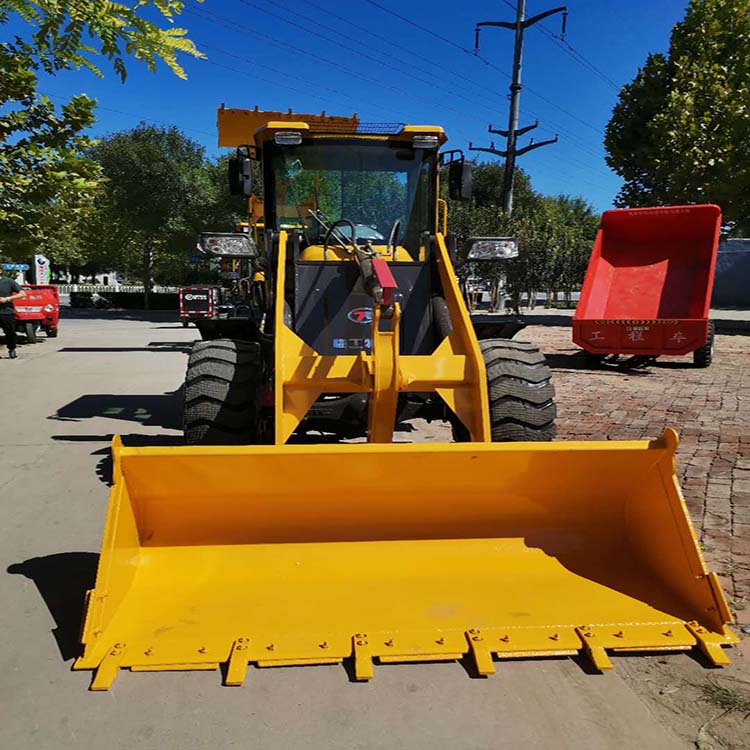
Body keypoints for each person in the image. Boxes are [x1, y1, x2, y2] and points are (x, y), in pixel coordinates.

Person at [0, 264, 27, 359]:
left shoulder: (8, 281)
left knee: (10, 332)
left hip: (6, 312)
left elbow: (23, 293)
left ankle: (12, 349)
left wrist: (8, 298)